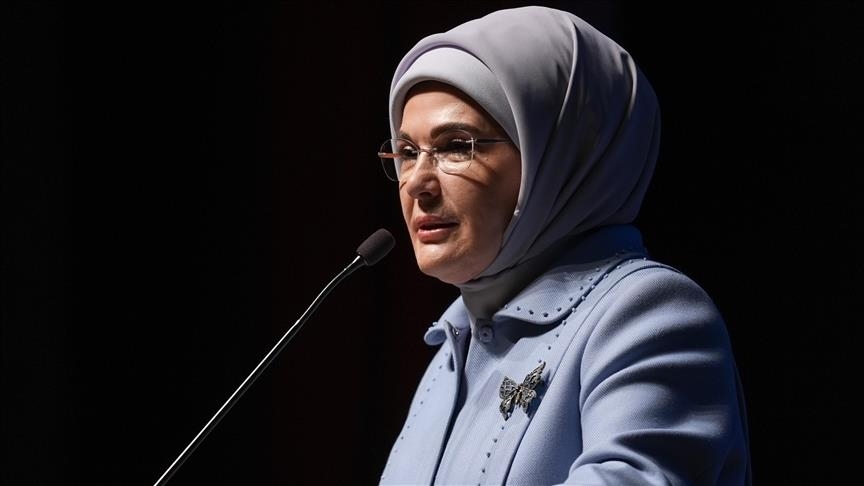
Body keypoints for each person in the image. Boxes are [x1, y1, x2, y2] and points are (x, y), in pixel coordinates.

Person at [376, 6, 751, 485]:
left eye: (455, 145)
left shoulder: (651, 314)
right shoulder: (450, 355)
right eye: (408, 152)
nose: (416, 183)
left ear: (556, 154)